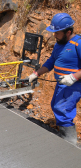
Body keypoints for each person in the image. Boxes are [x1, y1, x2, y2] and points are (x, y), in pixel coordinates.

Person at [28, 13, 81, 145]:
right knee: (55, 105)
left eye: (57, 32)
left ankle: (70, 142)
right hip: (62, 83)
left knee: (62, 109)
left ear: (68, 32)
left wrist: (73, 77)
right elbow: (51, 61)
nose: (54, 35)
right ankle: (64, 136)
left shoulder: (78, 43)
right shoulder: (59, 44)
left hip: (72, 85)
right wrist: (36, 74)